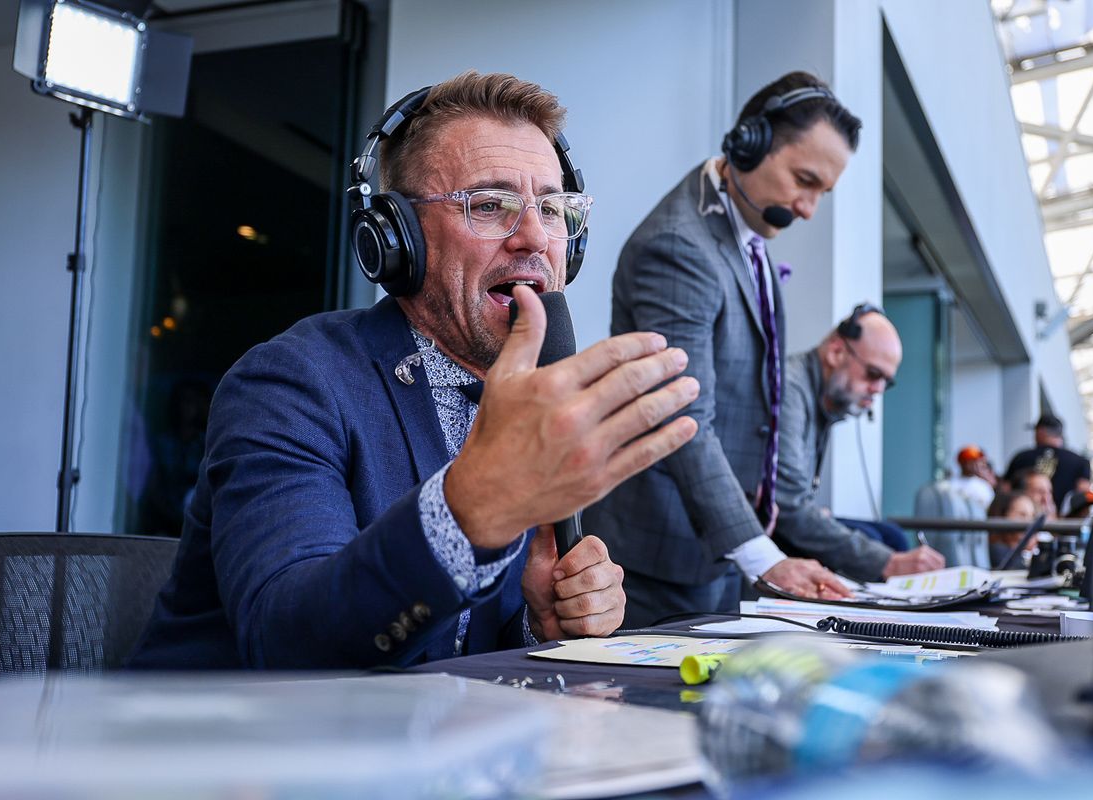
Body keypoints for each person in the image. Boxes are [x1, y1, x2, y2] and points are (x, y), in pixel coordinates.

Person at [128, 72, 701, 669]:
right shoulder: (288, 383)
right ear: (397, 239)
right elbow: (286, 642)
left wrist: (537, 621)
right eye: (490, 205)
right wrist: (474, 510)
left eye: (553, 208)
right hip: (226, 751)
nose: (534, 236)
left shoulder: (524, 405)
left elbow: (450, 650)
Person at [586, 71, 870, 628]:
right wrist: (766, 557)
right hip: (658, 559)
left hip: (715, 549)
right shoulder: (678, 245)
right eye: (803, 180)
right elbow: (685, 415)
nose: (809, 208)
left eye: (823, 192)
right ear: (750, 143)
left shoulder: (747, 234)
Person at [773, 307, 945, 578]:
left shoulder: (821, 401)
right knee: (887, 543)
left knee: (890, 535)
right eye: (873, 374)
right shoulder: (790, 390)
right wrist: (887, 563)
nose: (877, 390)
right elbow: (789, 507)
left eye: (885, 382)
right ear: (836, 352)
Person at [1005, 413, 1092, 510]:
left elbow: (1006, 491)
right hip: (1066, 523)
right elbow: (1083, 494)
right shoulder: (1079, 461)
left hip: (1025, 520)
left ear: (1040, 432)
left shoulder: (1021, 458)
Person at [986, 490, 1038, 570]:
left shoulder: (1022, 553)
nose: (1029, 522)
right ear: (1003, 515)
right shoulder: (997, 550)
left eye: (1032, 516)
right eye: (1022, 515)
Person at [951, 444, 996, 510]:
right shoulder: (951, 484)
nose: (974, 465)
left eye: (976, 462)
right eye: (970, 462)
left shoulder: (983, 486)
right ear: (962, 463)